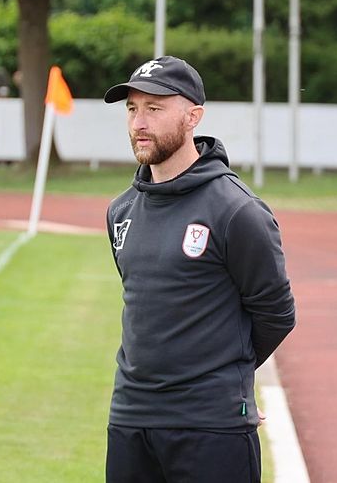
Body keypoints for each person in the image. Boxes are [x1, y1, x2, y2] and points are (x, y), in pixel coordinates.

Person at [102, 55, 296, 483]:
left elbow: (277, 314)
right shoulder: (121, 211)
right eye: (132, 109)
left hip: (211, 427)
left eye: (155, 108)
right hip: (131, 419)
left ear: (193, 116)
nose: (139, 123)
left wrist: (230, 378)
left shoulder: (236, 211)